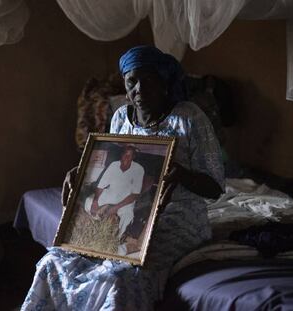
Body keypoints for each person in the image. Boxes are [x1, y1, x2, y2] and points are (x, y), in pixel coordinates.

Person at [21, 45, 224, 311]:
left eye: (148, 80)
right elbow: (107, 169)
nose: (138, 89)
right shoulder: (120, 118)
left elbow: (215, 187)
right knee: (54, 261)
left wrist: (182, 174)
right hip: (123, 213)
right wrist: (82, 174)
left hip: (175, 219)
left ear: (164, 83)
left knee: (122, 276)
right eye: (132, 82)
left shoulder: (188, 118)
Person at [84, 145, 144, 238]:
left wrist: (115, 208)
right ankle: (97, 223)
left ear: (133, 157)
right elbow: (101, 185)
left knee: (128, 217)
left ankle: (117, 239)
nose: (126, 157)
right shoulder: (114, 165)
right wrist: (95, 201)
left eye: (130, 155)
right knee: (89, 201)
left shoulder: (139, 169)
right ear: (121, 154)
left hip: (126, 199)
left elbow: (135, 194)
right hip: (111, 193)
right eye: (125, 154)